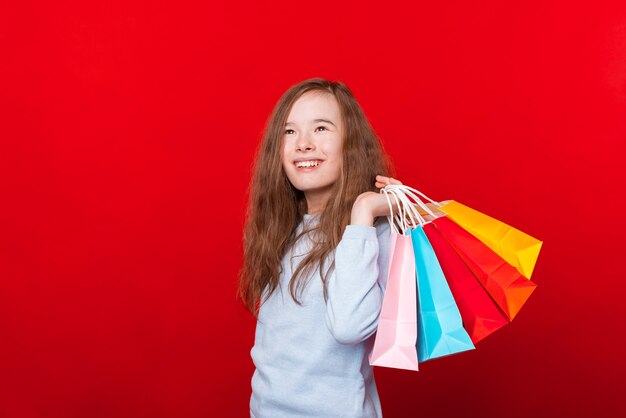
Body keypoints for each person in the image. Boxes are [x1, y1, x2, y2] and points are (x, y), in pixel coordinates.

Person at [238, 77, 402, 417]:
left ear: (350, 145)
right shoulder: (282, 229)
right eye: (289, 132)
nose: (303, 144)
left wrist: (363, 214)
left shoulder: (371, 234)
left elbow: (349, 328)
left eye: (322, 128)